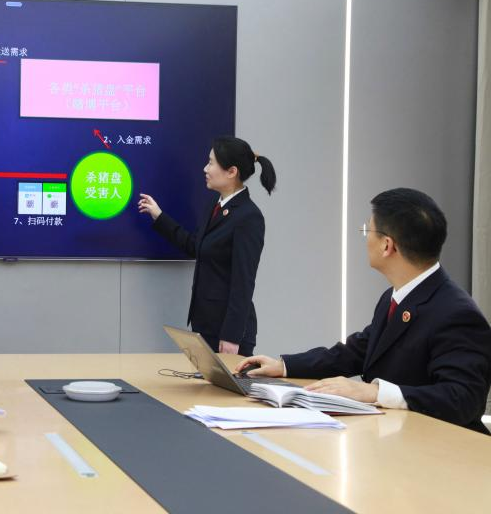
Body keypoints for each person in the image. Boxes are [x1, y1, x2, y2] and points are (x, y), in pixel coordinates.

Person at [235, 188, 491, 434]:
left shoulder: (456, 313)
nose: (365, 237)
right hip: (392, 437)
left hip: (438, 450)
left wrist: (375, 392)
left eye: (368, 230)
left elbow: (463, 398)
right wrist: (284, 366)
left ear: (387, 245)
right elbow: (357, 351)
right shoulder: (395, 296)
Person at [139, 136, 276, 356]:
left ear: (231, 172)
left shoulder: (249, 217)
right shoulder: (214, 205)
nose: (205, 168)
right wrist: (159, 216)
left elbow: (243, 283)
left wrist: (231, 336)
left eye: (211, 163)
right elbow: (196, 247)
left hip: (227, 334)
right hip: (205, 324)